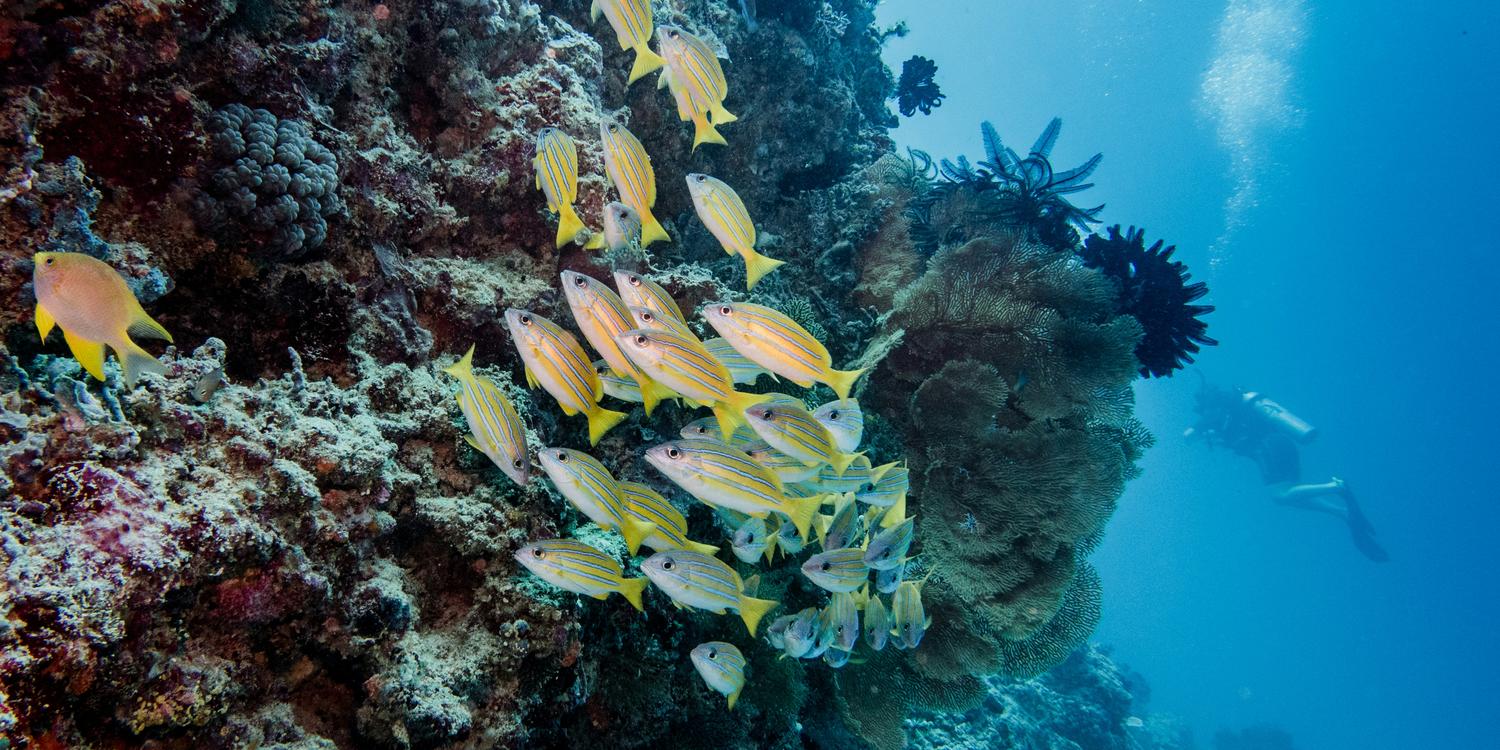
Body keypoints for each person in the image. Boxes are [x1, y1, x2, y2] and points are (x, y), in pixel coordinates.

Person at [1186, 379, 1389, 562]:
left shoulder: (1213, 412)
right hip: (1284, 443)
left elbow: (1188, 435)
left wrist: (1196, 430)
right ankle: (1343, 513)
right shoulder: (1235, 408)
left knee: (1280, 496)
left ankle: (1337, 487)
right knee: (1294, 493)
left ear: (1206, 402)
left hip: (1267, 449)